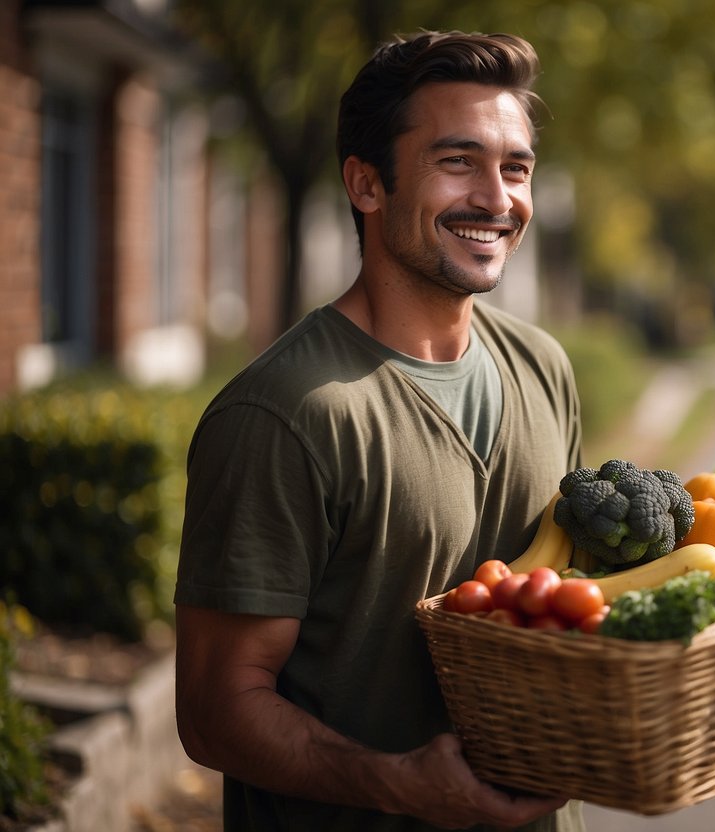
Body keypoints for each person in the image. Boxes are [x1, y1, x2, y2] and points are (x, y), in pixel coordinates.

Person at [173, 30, 584, 831]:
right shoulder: (284, 413)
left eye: (516, 167)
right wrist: (396, 784)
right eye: (457, 161)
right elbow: (215, 710)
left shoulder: (544, 367)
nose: (498, 200)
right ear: (366, 184)